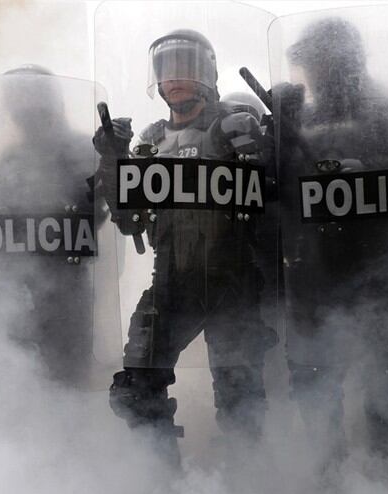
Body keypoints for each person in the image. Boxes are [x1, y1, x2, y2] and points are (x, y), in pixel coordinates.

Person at [94, 29, 277, 465]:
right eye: (165, 67)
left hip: (233, 279)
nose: (174, 76)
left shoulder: (233, 126)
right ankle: (163, 483)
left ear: (208, 74)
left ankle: (247, 484)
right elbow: (125, 220)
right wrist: (112, 160)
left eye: (186, 65)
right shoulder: (149, 143)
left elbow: (274, 199)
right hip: (171, 280)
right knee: (136, 389)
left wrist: (272, 144)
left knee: (240, 401)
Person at [274, 17, 388, 471]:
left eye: (326, 58)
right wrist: (271, 138)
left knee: (386, 377)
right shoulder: (296, 119)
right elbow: (268, 195)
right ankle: (330, 474)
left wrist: (368, 169)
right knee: (312, 378)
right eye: (311, 59)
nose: (318, 68)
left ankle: (385, 471)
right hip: (311, 270)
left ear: (349, 59)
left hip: (377, 265)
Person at [0, 64, 102, 384]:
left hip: (68, 292)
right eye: (15, 97)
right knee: (20, 385)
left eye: (29, 95)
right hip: (17, 295)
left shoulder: (83, 150)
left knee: (67, 384)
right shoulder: (7, 162)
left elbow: (106, 219)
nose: (22, 106)